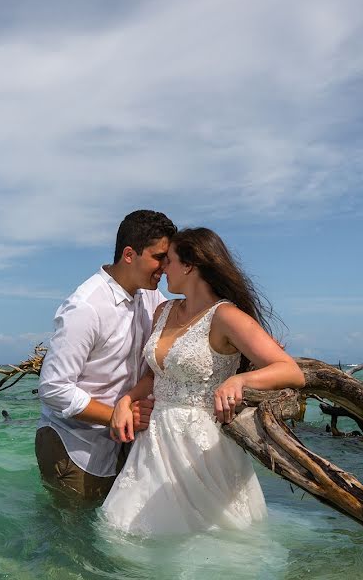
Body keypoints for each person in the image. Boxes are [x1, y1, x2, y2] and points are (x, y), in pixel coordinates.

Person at [101, 227, 305, 535]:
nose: (162, 267)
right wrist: (126, 400)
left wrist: (239, 381)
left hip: (201, 445)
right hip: (154, 441)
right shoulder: (163, 311)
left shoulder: (226, 316)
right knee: (127, 534)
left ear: (189, 265)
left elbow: (290, 370)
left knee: (212, 542)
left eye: (168, 260)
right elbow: (154, 376)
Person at [36, 210, 177, 500]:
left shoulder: (149, 295)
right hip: (73, 447)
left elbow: (185, 324)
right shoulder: (85, 307)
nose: (165, 267)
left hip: (120, 443)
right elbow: (53, 388)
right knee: (73, 541)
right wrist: (116, 415)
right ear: (129, 254)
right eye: (158, 257)